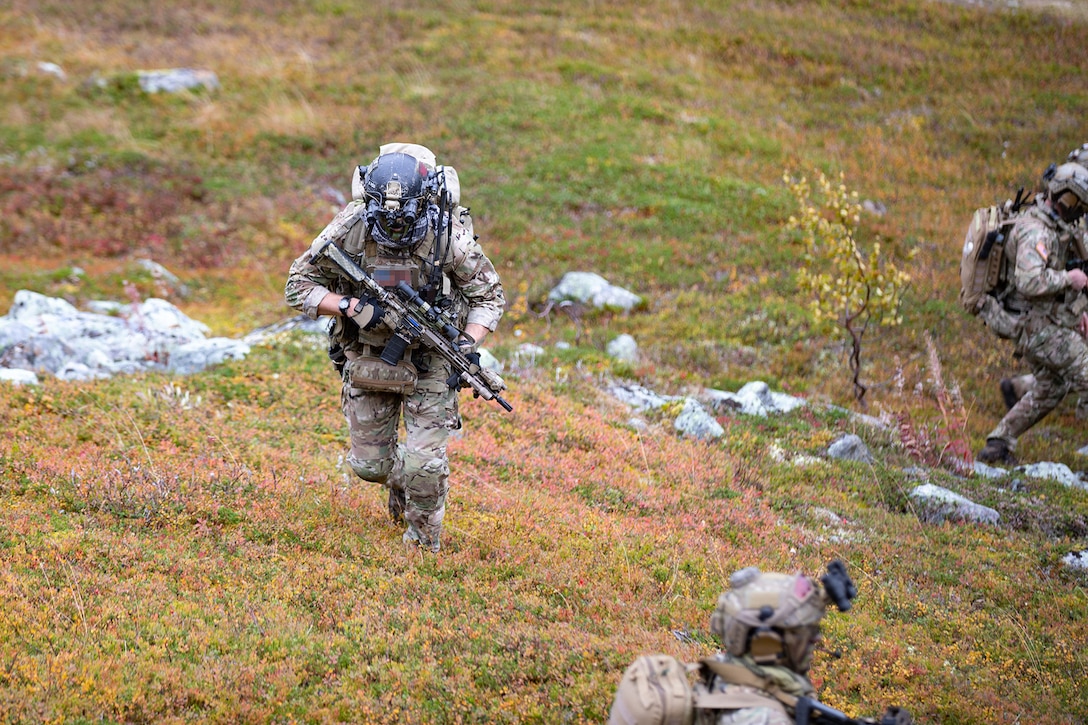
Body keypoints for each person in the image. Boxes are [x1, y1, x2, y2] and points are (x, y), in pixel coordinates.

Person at [285, 143, 505, 552]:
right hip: (369, 353)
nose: (394, 227)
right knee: (370, 467)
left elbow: (489, 297)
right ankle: (406, 480)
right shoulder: (350, 226)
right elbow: (296, 285)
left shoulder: (447, 238)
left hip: (433, 359)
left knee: (425, 463)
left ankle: (421, 544)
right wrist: (349, 306)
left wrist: (467, 341)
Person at [608, 562, 909, 725]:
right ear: (769, 643)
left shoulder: (730, 671)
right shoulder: (759, 717)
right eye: (805, 632)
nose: (816, 639)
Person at [977, 160, 1088, 464]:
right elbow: (1029, 281)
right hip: (1034, 329)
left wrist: (1076, 309)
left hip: (1045, 323)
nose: (1080, 211)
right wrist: (1070, 279)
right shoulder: (1034, 232)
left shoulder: (1053, 226)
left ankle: (998, 444)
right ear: (1063, 197)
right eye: (1076, 203)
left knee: (1053, 387)